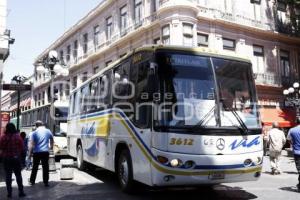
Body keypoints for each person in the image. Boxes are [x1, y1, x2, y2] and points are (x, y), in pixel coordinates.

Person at [0, 123, 26, 198]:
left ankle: (9, 193)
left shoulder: (3, 137)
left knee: (8, 176)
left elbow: (1, 147)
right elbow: (22, 148)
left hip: (6, 159)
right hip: (16, 158)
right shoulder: (18, 137)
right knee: (18, 175)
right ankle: (21, 192)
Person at [28, 121, 54, 187]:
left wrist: (30, 154)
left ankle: (32, 181)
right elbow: (52, 139)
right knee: (45, 167)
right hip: (45, 152)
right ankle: (46, 182)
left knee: (35, 167)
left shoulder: (34, 133)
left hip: (36, 152)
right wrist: (51, 147)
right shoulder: (48, 131)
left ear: (36, 126)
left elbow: (31, 144)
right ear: (42, 124)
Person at [287, 120, 300, 191]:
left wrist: (293, 143)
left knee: (299, 169)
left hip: (297, 152)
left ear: (296, 122)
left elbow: (288, 139)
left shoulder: (292, 130)